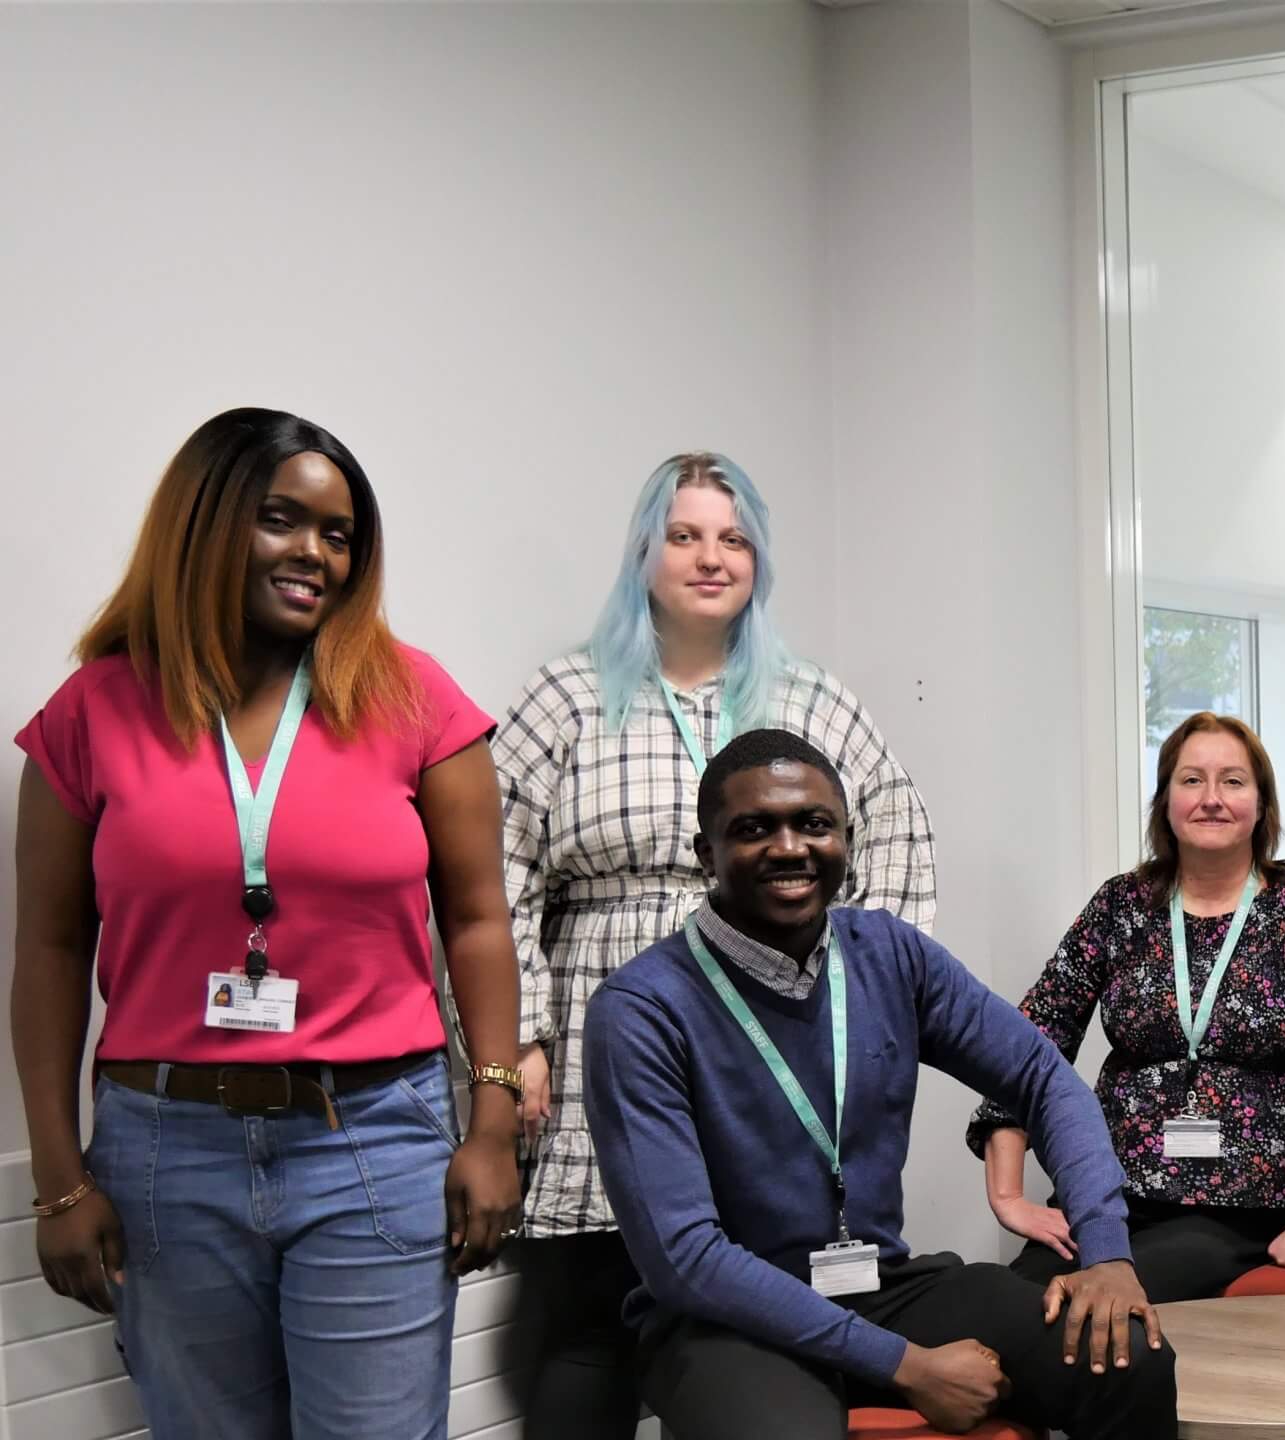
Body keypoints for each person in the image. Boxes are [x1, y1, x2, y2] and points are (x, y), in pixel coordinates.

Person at [13, 408, 524, 1440]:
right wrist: (59, 1182)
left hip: (373, 1136)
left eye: (339, 535)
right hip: (167, 1150)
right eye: (281, 520)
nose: (314, 555)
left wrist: (494, 1122)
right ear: (203, 522)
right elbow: (49, 950)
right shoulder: (93, 711)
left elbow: (476, 922)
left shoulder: (412, 697)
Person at [492, 451, 936, 1438]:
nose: (709, 557)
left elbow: (899, 843)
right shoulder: (564, 696)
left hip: (766, 1064)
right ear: (644, 552)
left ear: (759, 561)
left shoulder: (816, 702)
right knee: (585, 1332)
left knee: (747, 1325)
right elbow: (494, 868)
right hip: (604, 1046)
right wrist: (515, 1037)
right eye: (683, 535)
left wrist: (862, 1021)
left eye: (732, 538)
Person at [586, 729, 1173, 1439]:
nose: (789, 846)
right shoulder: (641, 1009)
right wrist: (907, 1366)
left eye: (813, 823)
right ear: (706, 854)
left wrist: (1107, 1251)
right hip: (723, 1321)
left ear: (846, 840)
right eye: (752, 829)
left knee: (1126, 1355)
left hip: (878, 1286)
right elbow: (686, 1260)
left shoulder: (890, 954)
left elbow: (1045, 1078)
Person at [970, 711, 1285, 1301]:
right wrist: (1008, 1196)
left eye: (1232, 781)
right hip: (1109, 1199)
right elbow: (1026, 1045)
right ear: (1166, 802)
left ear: (1261, 803)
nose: (1211, 799)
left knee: (1087, 1304)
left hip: (1246, 1211)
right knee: (1007, 1303)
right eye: (1191, 780)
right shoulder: (1121, 905)